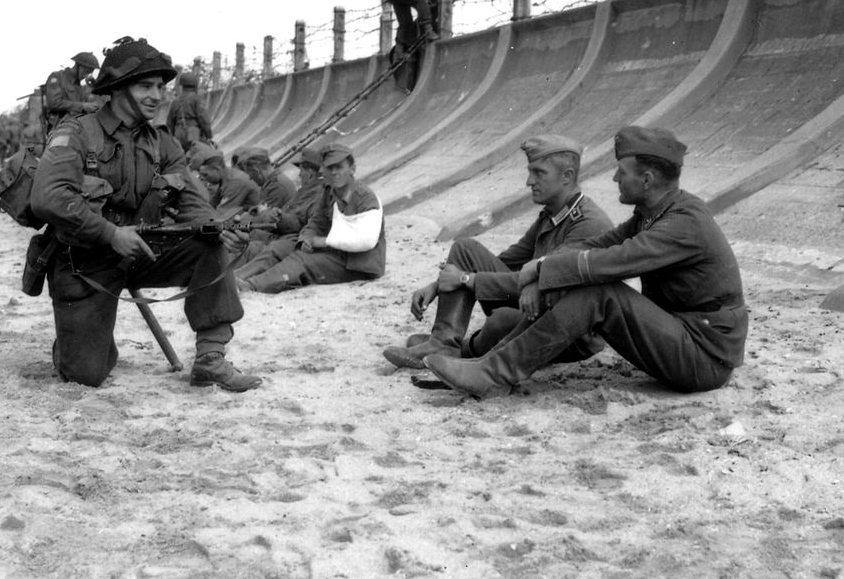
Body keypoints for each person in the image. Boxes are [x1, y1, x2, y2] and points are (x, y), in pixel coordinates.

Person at [422, 126, 749, 399]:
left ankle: (493, 372)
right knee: (582, 279)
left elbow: (616, 260)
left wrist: (540, 269)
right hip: (681, 339)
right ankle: (489, 366)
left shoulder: (684, 221)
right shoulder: (654, 214)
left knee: (598, 289)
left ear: (647, 180)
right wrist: (544, 272)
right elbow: (599, 246)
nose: (614, 180)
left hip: (704, 358)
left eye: (621, 172)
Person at [30, 36, 260, 393]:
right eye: (145, 86)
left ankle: (210, 359)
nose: (156, 95)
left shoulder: (162, 142)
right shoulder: (77, 133)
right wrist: (110, 234)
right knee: (86, 374)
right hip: (84, 260)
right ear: (118, 89)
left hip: (141, 251)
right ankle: (82, 338)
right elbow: (46, 197)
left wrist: (219, 228)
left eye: (160, 87)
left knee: (207, 246)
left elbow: (191, 200)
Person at [382, 135, 613, 371]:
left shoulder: (587, 224)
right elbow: (506, 261)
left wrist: (464, 279)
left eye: (539, 173)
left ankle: (463, 349)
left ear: (567, 176)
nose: (528, 181)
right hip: (537, 309)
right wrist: (438, 285)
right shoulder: (553, 213)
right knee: (465, 248)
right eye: (530, 172)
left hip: (567, 331)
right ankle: (442, 342)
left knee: (500, 321)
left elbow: (545, 281)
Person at [222, 142, 386, 293]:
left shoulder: (365, 197)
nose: (334, 173)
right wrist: (306, 238)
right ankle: (236, 280)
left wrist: (321, 242)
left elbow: (366, 241)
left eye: (339, 167)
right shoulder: (328, 192)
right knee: (288, 250)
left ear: (352, 169)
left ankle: (251, 286)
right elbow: (316, 222)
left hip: (359, 264)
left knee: (303, 261)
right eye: (329, 168)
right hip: (338, 254)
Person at [235, 147, 326, 267]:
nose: (299, 175)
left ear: (310, 172)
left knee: (242, 245)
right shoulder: (305, 189)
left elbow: (279, 222)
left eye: (301, 170)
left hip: (286, 241)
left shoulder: (280, 186)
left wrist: (262, 214)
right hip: (282, 238)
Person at [189, 144, 263, 219]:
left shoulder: (235, 182)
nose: (203, 179)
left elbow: (221, 216)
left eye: (205, 175)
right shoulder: (225, 180)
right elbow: (210, 206)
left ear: (217, 169)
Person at [43, 51, 100, 137]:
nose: (86, 75)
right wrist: (82, 106)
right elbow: (53, 103)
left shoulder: (80, 87)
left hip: (76, 130)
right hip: (58, 130)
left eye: (89, 72)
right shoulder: (57, 77)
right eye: (86, 71)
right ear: (78, 66)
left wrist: (93, 87)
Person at [232, 146, 297, 209]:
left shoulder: (275, 187)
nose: (250, 178)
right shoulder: (273, 182)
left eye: (250, 174)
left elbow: (266, 217)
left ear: (256, 170)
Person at [167, 72, 213, 150]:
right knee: (199, 156)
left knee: (180, 157)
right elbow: (203, 119)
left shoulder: (175, 101)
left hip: (178, 133)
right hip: (193, 133)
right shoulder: (197, 99)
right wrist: (209, 135)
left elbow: (169, 123)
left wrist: (171, 138)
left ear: (182, 86)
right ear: (195, 85)